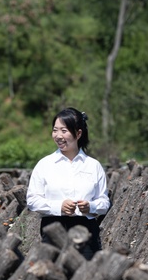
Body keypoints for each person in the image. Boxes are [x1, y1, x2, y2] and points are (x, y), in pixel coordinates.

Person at [26, 107, 110, 257]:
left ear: (78, 133)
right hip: (53, 231)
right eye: (55, 130)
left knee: (87, 277)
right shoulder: (45, 165)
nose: (58, 136)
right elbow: (32, 200)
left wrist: (90, 207)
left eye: (64, 131)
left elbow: (104, 202)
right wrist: (59, 206)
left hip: (87, 233)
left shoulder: (93, 166)